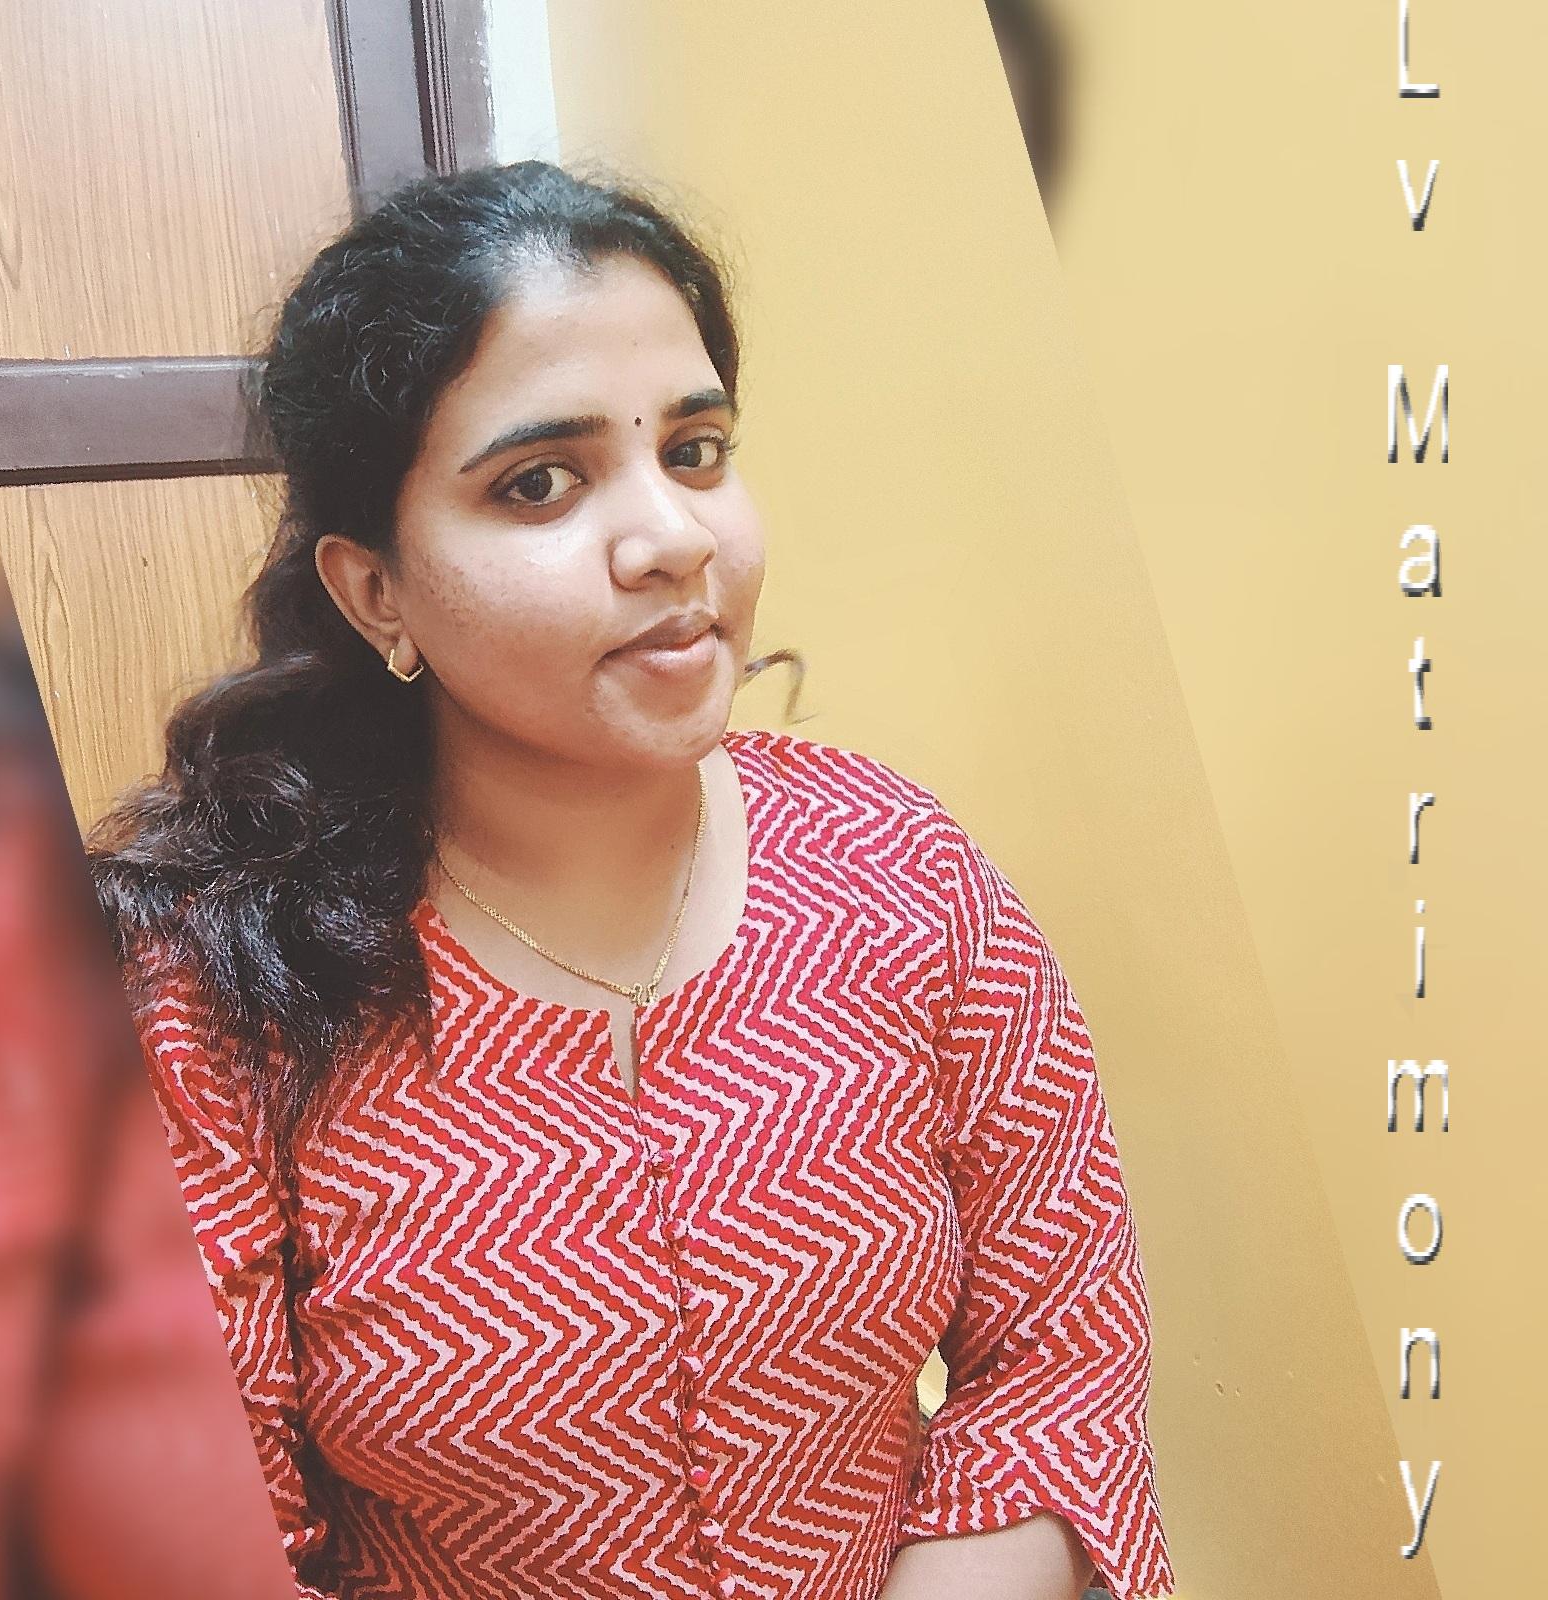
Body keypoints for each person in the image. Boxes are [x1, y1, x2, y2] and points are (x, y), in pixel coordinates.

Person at [87, 162, 1174, 1600]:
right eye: (540, 481)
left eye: (698, 450)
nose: (674, 539)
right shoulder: (216, 999)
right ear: (375, 591)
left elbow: (1057, 1362)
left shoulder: (903, 873)